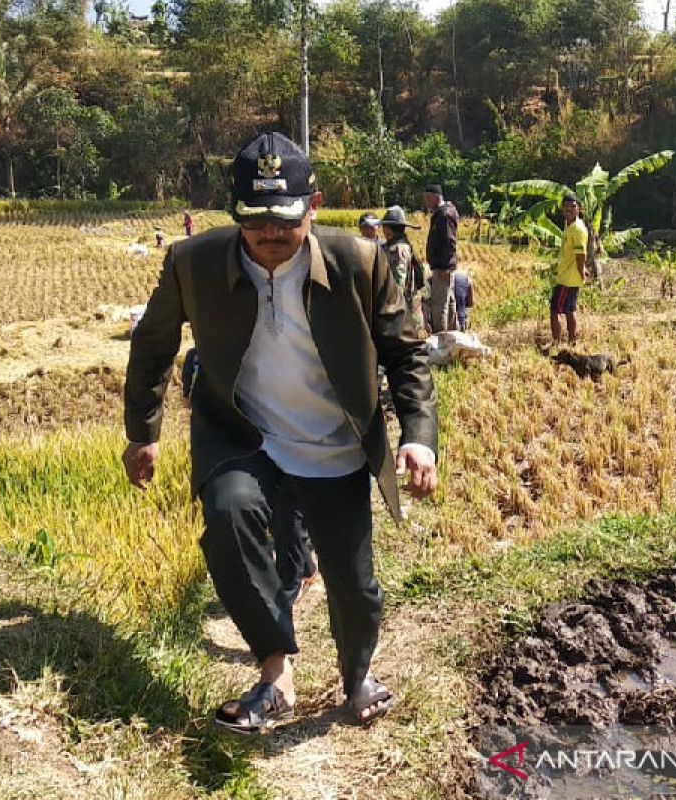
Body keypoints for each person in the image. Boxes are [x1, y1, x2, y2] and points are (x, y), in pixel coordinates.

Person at [124, 131, 438, 734]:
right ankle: (276, 669)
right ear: (234, 212)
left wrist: (417, 434)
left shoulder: (360, 262)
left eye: (286, 221)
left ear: (314, 206)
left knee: (356, 588)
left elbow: (406, 354)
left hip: (335, 444)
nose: (270, 234)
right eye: (255, 220)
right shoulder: (193, 263)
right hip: (244, 436)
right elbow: (154, 342)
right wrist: (144, 429)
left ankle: (356, 674)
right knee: (228, 517)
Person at [180, 346, 318, 606]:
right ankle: (303, 570)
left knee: (289, 514)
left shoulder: (260, 350)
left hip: (287, 440)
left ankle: (288, 589)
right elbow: (188, 399)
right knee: (280, 517)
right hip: (244, 449)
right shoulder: (196, 358)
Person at [380, 206, 424, 336]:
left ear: (388, 229)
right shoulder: (400, 245)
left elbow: (399, 280)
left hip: (404, 307)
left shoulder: (398, 249)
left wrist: (393, 306)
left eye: (384, 228)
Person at [551, 193, 588, 347]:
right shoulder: (570, 226)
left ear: (579, 209)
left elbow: (581, 255)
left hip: (568, 278)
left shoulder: (577, 229)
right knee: (569, 309)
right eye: (566, 206)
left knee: (555, 310)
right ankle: (572, 343)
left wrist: (581, 273)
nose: (569, 209)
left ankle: (557, 344)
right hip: (567, 276)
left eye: (573, 206)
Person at [423, 185, 459, 333]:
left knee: (439, 306)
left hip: (443, 268)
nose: (426, 202)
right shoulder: (442, 214)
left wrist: (445, 266)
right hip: (443, 267)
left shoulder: (444, 216)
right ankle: (454, 337)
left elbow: (449, 242)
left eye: (427, 198)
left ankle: (441, 340)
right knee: (448, 304)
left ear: (435, 197)